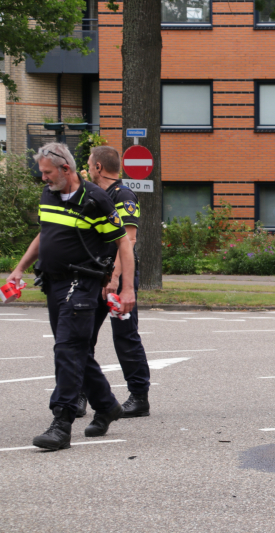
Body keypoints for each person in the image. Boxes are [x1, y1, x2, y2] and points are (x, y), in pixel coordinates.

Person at [6, 143, 137, 451]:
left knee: (67, 348)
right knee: (76, 351)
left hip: (83, 282)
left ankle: (61, 421)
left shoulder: (95, 200)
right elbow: (45, 233)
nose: (43, 179)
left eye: (47, 172)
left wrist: (125, 286)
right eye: (42, 173)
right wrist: (19, 268)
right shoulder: (50, 195)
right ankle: (106, 405)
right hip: (52, 283)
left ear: (66, 169)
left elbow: (124, 244)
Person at [74, 145, 151, 418]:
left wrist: (116, 278)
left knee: (125, 337)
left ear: (98, 167)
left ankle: (139, 396)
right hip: (94, 276)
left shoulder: (123, 194)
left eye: (89, 164)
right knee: (81, 337)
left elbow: (128, 240)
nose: (86, 169)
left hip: (116, 277)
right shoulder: (94, 194)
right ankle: (80, 394)